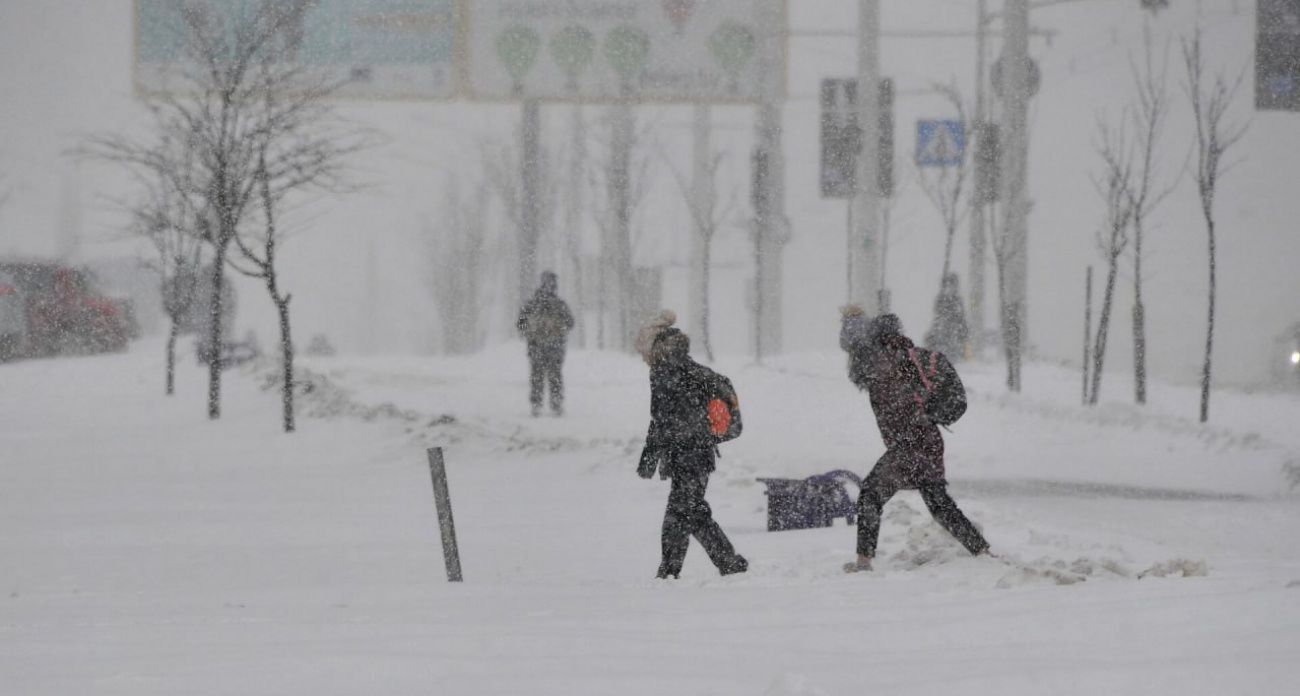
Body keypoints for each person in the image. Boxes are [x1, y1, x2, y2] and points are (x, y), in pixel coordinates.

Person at [842, 313, 989, 573]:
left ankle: (863, 562)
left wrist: (851, 321)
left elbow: (853, 351)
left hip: (909, 443)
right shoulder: (918, 357)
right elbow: (956, 397)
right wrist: (931, 414)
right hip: (928, 439)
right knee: (939, 504)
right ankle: (982, 551)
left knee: (870, 495)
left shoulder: (882, 359)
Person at [637, 326, 748, 579]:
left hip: (687, 454)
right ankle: (729, 562)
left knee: (678, 514)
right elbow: (664, 418)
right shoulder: (693, 370)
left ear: (657, 350)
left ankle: (669, 572)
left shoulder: (666, 372)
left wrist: (652, 456)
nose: (642, 357)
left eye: (644, 350)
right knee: (693, 511)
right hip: (698, 453)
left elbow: (661, 419)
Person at [516, 271, 574, 417]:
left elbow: (521, 323)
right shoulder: (559, 304)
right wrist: (558, 332)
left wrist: (529, 333)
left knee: (537, 375)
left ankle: (537, 404)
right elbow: (570, 323)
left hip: (536, 345)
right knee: (554, 376)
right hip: (554, 346)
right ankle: (555, 404)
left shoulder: (532, 303)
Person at [924, 273, 969, 361]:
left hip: (952, 333)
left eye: (951, 284)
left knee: (951, 354)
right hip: (943, 332)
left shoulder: (956, 299)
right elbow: (937, 314)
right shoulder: (941, 298)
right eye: (947, 285)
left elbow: (961, 317)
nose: (949, 288)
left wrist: (963, 332)